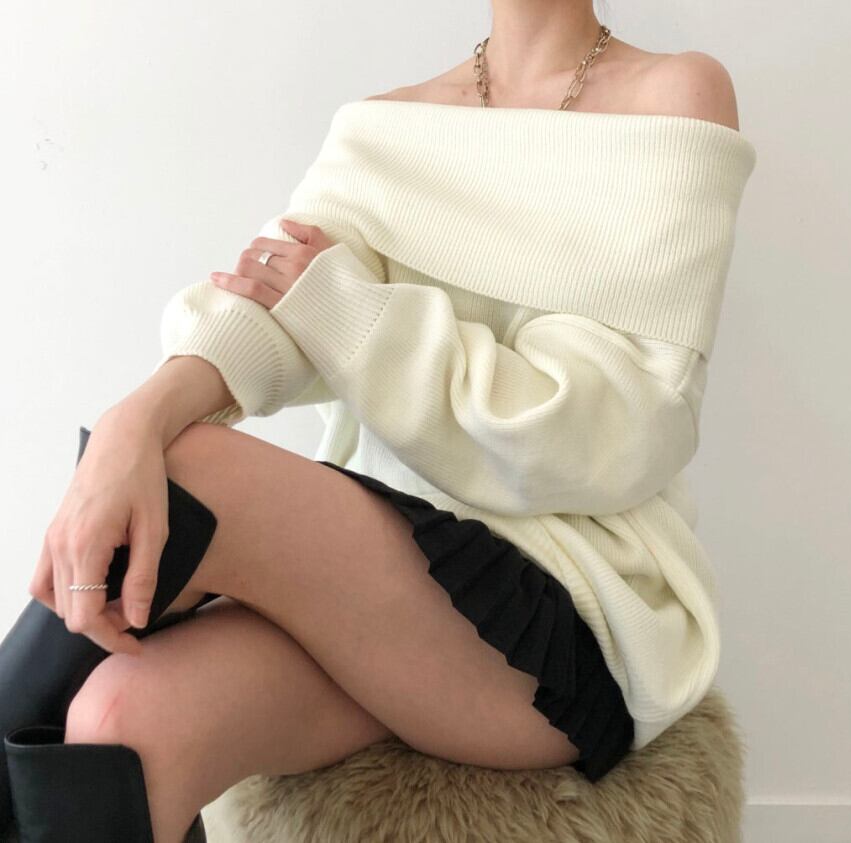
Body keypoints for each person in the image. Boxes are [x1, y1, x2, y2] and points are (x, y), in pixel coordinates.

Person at [1, 1, 757, 840]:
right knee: (117, 721)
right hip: (377, 603)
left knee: (192, 468)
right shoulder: (389, 125)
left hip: (564, 621)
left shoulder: (674, 94)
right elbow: (266, 309)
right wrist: (131, 423)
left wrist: (352, 314)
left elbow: (617, 427)